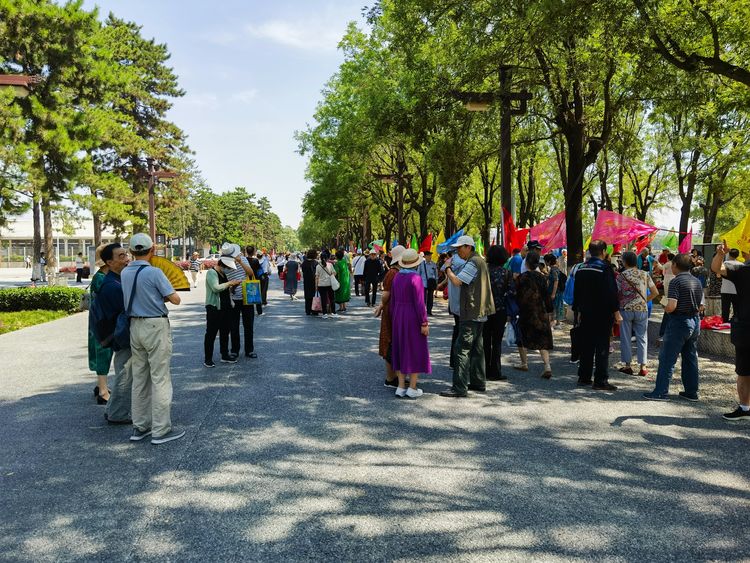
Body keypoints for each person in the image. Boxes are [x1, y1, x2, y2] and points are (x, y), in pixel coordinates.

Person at [121, 233, 184, 445]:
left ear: (131, 251)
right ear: (152, 250)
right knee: (160, 377)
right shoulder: (155, 272)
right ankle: (161, 429)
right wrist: (163, 295)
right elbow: (176, 299)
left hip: (134, 326)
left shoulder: (124, 273)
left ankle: (140, 427)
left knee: (139, 378)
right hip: (155, 325)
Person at [643, 253, 704, 401]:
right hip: (695, 321)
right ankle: (691, 392)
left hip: (679, 322)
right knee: (690, 357)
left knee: (667, 358)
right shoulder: (696, 281)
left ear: (675, 265)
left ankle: (660, 391)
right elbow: (701, 305)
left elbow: (671, 307)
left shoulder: (676, 282)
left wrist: (663, 302)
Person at [440, 235, 495, 398]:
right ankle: (478, 382)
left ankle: (459, 387)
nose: (458, 251)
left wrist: (448, 268)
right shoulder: (480, 261)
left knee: (461, 349)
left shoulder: (473, 262)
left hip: (471, 312)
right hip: (480, 311)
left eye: (460, 248)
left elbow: (457, 282)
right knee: (477, 348)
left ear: (468, 247)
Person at [572, 239, 622, 391]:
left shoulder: (581, 268)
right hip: (602, 314)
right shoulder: (605, 268)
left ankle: (584, 377)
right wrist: (616, 312)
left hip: (586, 313)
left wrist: (578, 311)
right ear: (604, 251)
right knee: (602, 346)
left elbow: (577, 292)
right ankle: (600, 380)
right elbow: (611, 292)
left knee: (586, 345)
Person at [94, 243, 133, 424]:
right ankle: (118, 414)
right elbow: (125, 311)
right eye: (121, 256)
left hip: (118, 334)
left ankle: (112, 409)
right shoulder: (112, 286)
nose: (126, 259)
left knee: (124, 372)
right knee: (125, 374)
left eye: (126, 254)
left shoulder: (116, 280)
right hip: (121, 336)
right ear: (109, 262)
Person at [712, 242, 750, 421]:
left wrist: (720, 254)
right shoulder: (743, 270)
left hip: (745, 327)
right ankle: (744, 408)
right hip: (744, 327)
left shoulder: (743, 271)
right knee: (743, 370)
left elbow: (715, 268)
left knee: (743, 370)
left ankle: (744, 407)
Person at [390, 249, 431, 399]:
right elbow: (420, 303)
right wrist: (424, 322)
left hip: (398, 315)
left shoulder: (397, 277)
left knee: (400, 348)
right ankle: (412, 387)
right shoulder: (416, 278)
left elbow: (392, 302)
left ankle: (401, 386)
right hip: (412, 316)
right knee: (414, 348)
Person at [616, 251, 658, 377]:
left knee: (626, 337)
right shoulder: (645, 274)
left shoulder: (621, 276)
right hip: (642, 309)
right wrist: (645, 300)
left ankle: (628, 365)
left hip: (625, 310)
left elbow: (616, 293)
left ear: (625, 262)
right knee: (642, 337)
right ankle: (643, 366)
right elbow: (655, 292)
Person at [515, 252, 554, 378]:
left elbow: (517, 295)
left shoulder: (521, 278)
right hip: (540, 311)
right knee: (542, 339)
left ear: (526, 263)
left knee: (521, 337)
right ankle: (547, 365)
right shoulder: (542, 277)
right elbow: (546, 296)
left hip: (525, 311)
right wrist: (549, 310)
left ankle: (524, 363)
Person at [375, 245, 405, 388]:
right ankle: (390, 377)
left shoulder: (394, 272)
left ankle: (394, 376)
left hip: (393, 309)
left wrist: (381, 306)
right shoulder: (394, 272)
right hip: (392, 310)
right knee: (389, 341)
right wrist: (381, 305)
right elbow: (386, 294)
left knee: (392, 340)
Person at [205, 253, 242, 366]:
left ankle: (224, 355)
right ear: (222, 265)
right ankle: (208, 359)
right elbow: (216, 288)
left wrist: (233, 286)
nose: (228, 270)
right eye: (228, 267)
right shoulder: (212, 272)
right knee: (211, 333)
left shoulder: (223, 274)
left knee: (225, 332)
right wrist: (230, 283)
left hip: (225, 307)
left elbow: (225, 290)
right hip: (214, 307)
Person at [221, 243, 257, 359]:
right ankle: (235, 350)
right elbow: (223, 282)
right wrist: (231, 287)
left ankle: (249, 350)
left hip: (247, 296)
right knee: (233, 326)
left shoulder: (243, 259)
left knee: (248, 325)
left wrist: (240, 262)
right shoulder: (223, 265)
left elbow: (251, 273)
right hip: (233, 299)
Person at [88, 245, 114, 405]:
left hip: (99, 320)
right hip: (102, 322)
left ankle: (101, 385)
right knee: (103, 353)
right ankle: (103, 392)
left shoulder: (102, 276)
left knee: (102, 352)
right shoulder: (101, 279)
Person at [484, 245, 511, 381]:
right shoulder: (506, 273)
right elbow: (512, 292)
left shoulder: (484, 271)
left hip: (484, 310)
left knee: (485, 340)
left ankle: (484, 370)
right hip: (500, 311)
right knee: (497, 342)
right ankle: (495, 371)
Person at [720, 248, 743, 323]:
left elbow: (719, 274)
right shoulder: (742, 265)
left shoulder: (725, 263)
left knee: (725, 308)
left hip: (725, 289)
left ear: (729, 255)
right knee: (737, 308)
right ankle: (737, 321)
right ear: (738, 255)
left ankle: (724, 322)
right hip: (737, 289)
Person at [544, 253, 565, 328]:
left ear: (549, 261)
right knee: (557, 306)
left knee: (554, 306)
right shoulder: (555, 268)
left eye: (546, 261)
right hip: (557, 291)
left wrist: (553, 293)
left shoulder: (553, 270)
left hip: (555, 291)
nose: (545, 263)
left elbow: (556, 281)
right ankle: (557, 323)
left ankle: (554, 323)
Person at [315, 251, 336, 318]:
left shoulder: (318, 266)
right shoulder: (330, 265)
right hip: (329, 284)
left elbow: (316, 277)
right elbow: (334, 273)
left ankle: (325, 313)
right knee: (331, 298)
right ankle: (333, 312)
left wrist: (316, 286)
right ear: (327, 258)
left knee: (323, 299)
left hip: (321, 284)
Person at [418, 250, 439, 316]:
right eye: (428, 255)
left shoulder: (433, 264)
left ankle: (429, 310)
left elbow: (436, 274)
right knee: (423, 298)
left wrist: (436, 282)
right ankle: (423, 310)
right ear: (425, 256)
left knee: (430, 297)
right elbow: (418, 274)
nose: (430, 257)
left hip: (431, 283)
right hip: (423, 283)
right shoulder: (421, 264)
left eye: (430, 255)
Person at [245, 246, 263, 315]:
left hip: (246, 279)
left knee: (247, 295)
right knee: (257, 295)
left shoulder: (244, 260)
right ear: (253, 252)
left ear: (246, 251)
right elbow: (259, 270)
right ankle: (259, 311)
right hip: (255, 279)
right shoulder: (255, 260)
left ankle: (248, 310)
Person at [301, 249, 319, 315]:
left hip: (306, 281)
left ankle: (308, 310)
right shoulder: (315, 262)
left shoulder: (304, 262)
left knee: (307, 295)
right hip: (314, 281)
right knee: (314, 295)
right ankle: (314, 309)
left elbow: (303, 270)